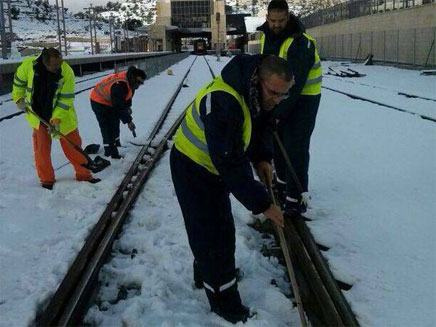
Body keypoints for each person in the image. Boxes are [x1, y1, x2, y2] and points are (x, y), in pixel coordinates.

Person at [170, 54, 293, 324]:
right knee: (215, 235)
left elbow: (263, 121)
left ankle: (207, 273)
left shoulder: (255, 90)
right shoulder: (225, 103)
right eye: (273, 93)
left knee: (214, 230)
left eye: (284, 95)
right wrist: (263, 204)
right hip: (193, 167)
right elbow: (231, 165)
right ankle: (226, 305)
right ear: (258, 81)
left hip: (212, 166)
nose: (277, 100)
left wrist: (262, 156)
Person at [257, 0, 322, 216]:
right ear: (267, 17)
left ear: (289, 17)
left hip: (303, 99)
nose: (276, 25)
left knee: (296, 146)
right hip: (280, 96)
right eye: (272, 20)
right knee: (277, 141)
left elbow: (296, 84)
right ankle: (283, 184)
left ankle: (297, 198)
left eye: (281, 20)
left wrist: (276, 113)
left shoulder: (301, 43)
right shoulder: (266, 35)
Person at [12, 48, 100, 190]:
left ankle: (84, 174)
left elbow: (66, 99)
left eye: (60, 63)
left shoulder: (67, 72)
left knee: (73, 146)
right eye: (55, 65)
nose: (59, 67)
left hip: (63, 116)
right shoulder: (29, 65)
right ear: (45, 62)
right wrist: (18, 98)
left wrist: (57, 119)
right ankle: (46, 180)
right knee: (42, 151)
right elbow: (18, 82)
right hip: (38, 115)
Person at [90, 66, 146, 158]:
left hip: (110, 101)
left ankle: (116, 144)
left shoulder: (131, 83)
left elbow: (126, 97)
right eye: (139, 82)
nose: (139, 85)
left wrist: (127, 108)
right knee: (107, 126)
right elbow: (118, 105)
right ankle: (110, 152)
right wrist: (129, 121)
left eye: (141, 83)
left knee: (115, 121)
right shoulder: (120, 84)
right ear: (133, 78)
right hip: (99, 101)